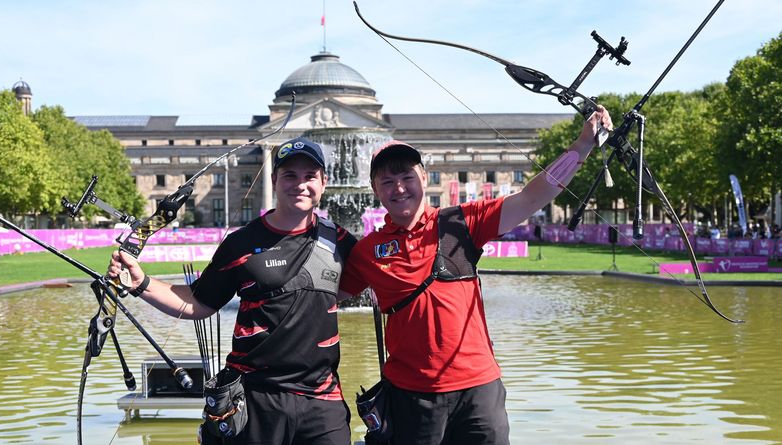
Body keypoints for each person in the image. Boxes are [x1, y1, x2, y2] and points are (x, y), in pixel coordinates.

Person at [338, 106, 613, 445]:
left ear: (425, 178)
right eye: (387, 181)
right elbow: (323, 298)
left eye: (407, 177)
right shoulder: (367, 251)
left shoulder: (461, 222)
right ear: (375, 190)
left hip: (478, 390)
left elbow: (532, 196)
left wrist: (583, 145)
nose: (399, 188)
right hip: (412, 395)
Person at [108, 137, 357, 445]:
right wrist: (142, 283)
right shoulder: (240, 243)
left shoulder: (342, 242)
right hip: (253, 396)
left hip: (321, 400)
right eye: (290, 175)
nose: (300, 184)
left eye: (310, 176)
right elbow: (198, 301)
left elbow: (358, 289)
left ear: (324, 182)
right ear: (274, 179)